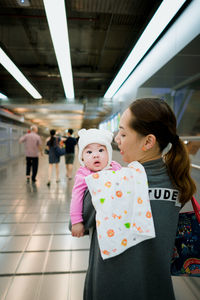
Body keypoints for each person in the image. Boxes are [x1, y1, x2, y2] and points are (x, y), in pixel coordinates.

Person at [81, 98, 196, 300]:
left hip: (110, 290)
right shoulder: (179, 183)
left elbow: (80, 221)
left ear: (148, 142)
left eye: (123, 133)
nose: (117, 139)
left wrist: (89, 179)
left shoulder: (110, 183)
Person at [70, 128, 121, 238]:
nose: (95, 155)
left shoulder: (115, 167)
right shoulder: (84, 174)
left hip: (118, 220)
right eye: (89, 152)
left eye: (101, 150)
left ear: (109, 153)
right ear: (82, 158)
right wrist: (76, 221)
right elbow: (77, 196)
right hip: (98, 223)